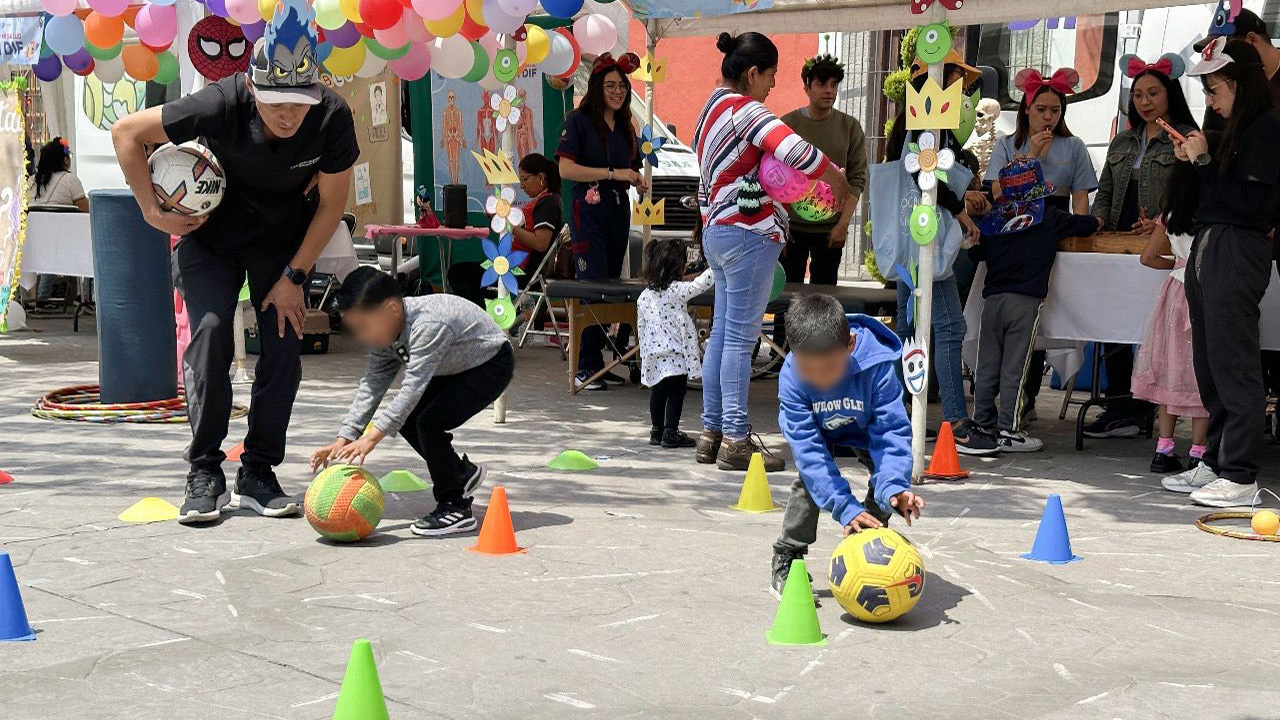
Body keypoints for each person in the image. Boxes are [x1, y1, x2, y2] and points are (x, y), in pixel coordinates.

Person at [111, 0, 359, 524]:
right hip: (211, 238)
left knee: (284, 348)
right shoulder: (220, 102)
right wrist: (153, 212)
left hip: (284, 243)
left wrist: (295, 276)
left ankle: (259, 471)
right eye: (277, 103)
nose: (290, 114)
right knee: (210, 334)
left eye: (300, 101)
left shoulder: (332, 117)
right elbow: (127, 134)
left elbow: (334, 202)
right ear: (253, 89)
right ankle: (204, 469)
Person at [693, 31, 851, 472]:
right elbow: (794, 150)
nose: (772, 86)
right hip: (749, 232)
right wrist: (835, 179)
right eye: (771, 76)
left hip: (717, 230)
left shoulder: (709, 109)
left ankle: (712, 432)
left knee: (723, 335)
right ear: (752, 73)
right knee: (741, 340)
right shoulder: (746, 109)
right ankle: (737, 440)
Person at [1164, 37, 1280, 508]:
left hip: (1237, 245)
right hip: (1209, 244)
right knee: (1209, 363)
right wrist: (1193, 163)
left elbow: (1249, 206)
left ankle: (1240, 474)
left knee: (1234, 364)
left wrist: (1204, 162)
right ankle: (1214, 462)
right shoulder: (1228, 131)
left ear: (1239, 83)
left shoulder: (1267, 131)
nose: (1210, 101)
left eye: (1214, 90)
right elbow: (1210, 198)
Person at [311, 267, 513, 536]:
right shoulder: (384, 334)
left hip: (490, 364)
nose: (361, 337)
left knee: (429, 423)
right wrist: (344, 439)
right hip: (454, 367)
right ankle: (459, 473)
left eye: (363, 326)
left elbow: (412, 387)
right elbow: (372, 386)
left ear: (392, 309)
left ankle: (455, 506)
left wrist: (371, 438)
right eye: (354, 329)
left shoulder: (428, 325)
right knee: (410, 420)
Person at [883, 56, 998, 456]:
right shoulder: (927, 121)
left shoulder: (910, 123)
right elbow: (926, 176)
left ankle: (894, 418)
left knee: (909, 327)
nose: (961, 90)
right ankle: (956, 422)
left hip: (910, 238)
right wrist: (962, 211)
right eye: (956, 80)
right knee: (948, 327)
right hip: (924, 238)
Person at [771, 293, 922, 596]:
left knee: (886, 488)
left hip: (866, 432)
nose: (820, 380)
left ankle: (867, 541)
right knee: (810, 482)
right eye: (808, 370)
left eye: (830, 368)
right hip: (821, 432)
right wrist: (843, 506)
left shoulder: (877, 366)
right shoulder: (791, 377)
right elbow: (809, 452)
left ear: (850, 345)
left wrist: (893, 486)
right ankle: (788, 555)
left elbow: (891, 432)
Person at [1085, 57, 1200, 440]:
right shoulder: (1123, 139)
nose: (1144, 101)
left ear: (1171, 95)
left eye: (1153, 93)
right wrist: (1097, 220)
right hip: (1118, 243)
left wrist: (1163, 222)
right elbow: (1105, 191)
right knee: (1114, 323)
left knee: (1159, 329)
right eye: (1137, 95)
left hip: (1162, 242)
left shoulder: (1185, 137)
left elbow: (1192, 193)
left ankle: (1151, 406)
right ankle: (1121, 404)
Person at [986, 66, 1097, 424]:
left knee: (1043, 324)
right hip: (1013, 233)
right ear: (1026, 110)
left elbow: (1080, 199)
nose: (1048, 117)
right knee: (1013, 325)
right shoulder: (1007, 145)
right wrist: (1030, 156)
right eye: (1041, 110)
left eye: (1055, 110)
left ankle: (1027, 396)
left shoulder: (1074, 146)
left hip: (1055, 230)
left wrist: (1080, 239)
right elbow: (997, 193)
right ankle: (1001, 407)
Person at [970, 159, 1103, 452]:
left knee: (987, 364)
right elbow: (1086, 224)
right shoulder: (1050, 218)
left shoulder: (992, 221)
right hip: (1025, 303)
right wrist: (1099, 221)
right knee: (1015, 367)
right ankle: (1009, 429)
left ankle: (981, 424)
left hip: (991, 302)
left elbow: (976, 253)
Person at [556, 52, 648, 391]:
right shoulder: (577, 121)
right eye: (611, 85)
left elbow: (630, 167)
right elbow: (566, 170)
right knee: (591, 282)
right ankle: (585, 365)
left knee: (611, 283)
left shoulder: (626, 125)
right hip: (587, 208)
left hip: (617, 206)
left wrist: (635, 178)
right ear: (597, 87)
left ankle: (599, 362)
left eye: (622, 85)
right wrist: (612, 173)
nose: (618, 91)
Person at [1130, 163, 1208, 475]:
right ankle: (1199, 452)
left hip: (1175, 290)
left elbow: (1147, 257)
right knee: (1201, 371)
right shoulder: (1211, 214)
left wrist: (1177, 263)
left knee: (1168, 368)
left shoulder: (1170, 215)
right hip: (1203, 290)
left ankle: (1164, 448)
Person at [779, 54, 868, 285]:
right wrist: (779, 224)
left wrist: (843, 224)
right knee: (786, 300)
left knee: (825, 298)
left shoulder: (850, 127)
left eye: (834, 84)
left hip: (830, 230)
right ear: (807, 87)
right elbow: (773, 178)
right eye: (821, 84)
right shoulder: (787, 125)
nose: (829, 91)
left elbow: (858, 178)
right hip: (791, 229)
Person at [638, 239, 714, 449]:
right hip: (675, 354)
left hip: (654, 354)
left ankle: (657, 430)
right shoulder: (676, 291)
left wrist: (644, 355)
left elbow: (641, 328)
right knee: (676, 393)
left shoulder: (644, 297)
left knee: (658, 393)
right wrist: (716, 267)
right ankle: (671, 431)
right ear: (676, 267)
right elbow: (700, 285)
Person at [30, 137, 88, 304]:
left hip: (32, 242)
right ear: (65, 160)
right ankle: (81, 296)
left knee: (50, 243)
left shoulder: (32, 181)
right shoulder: (70, 180)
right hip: (61, 243)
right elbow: (86, 209)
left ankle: (37, 296)